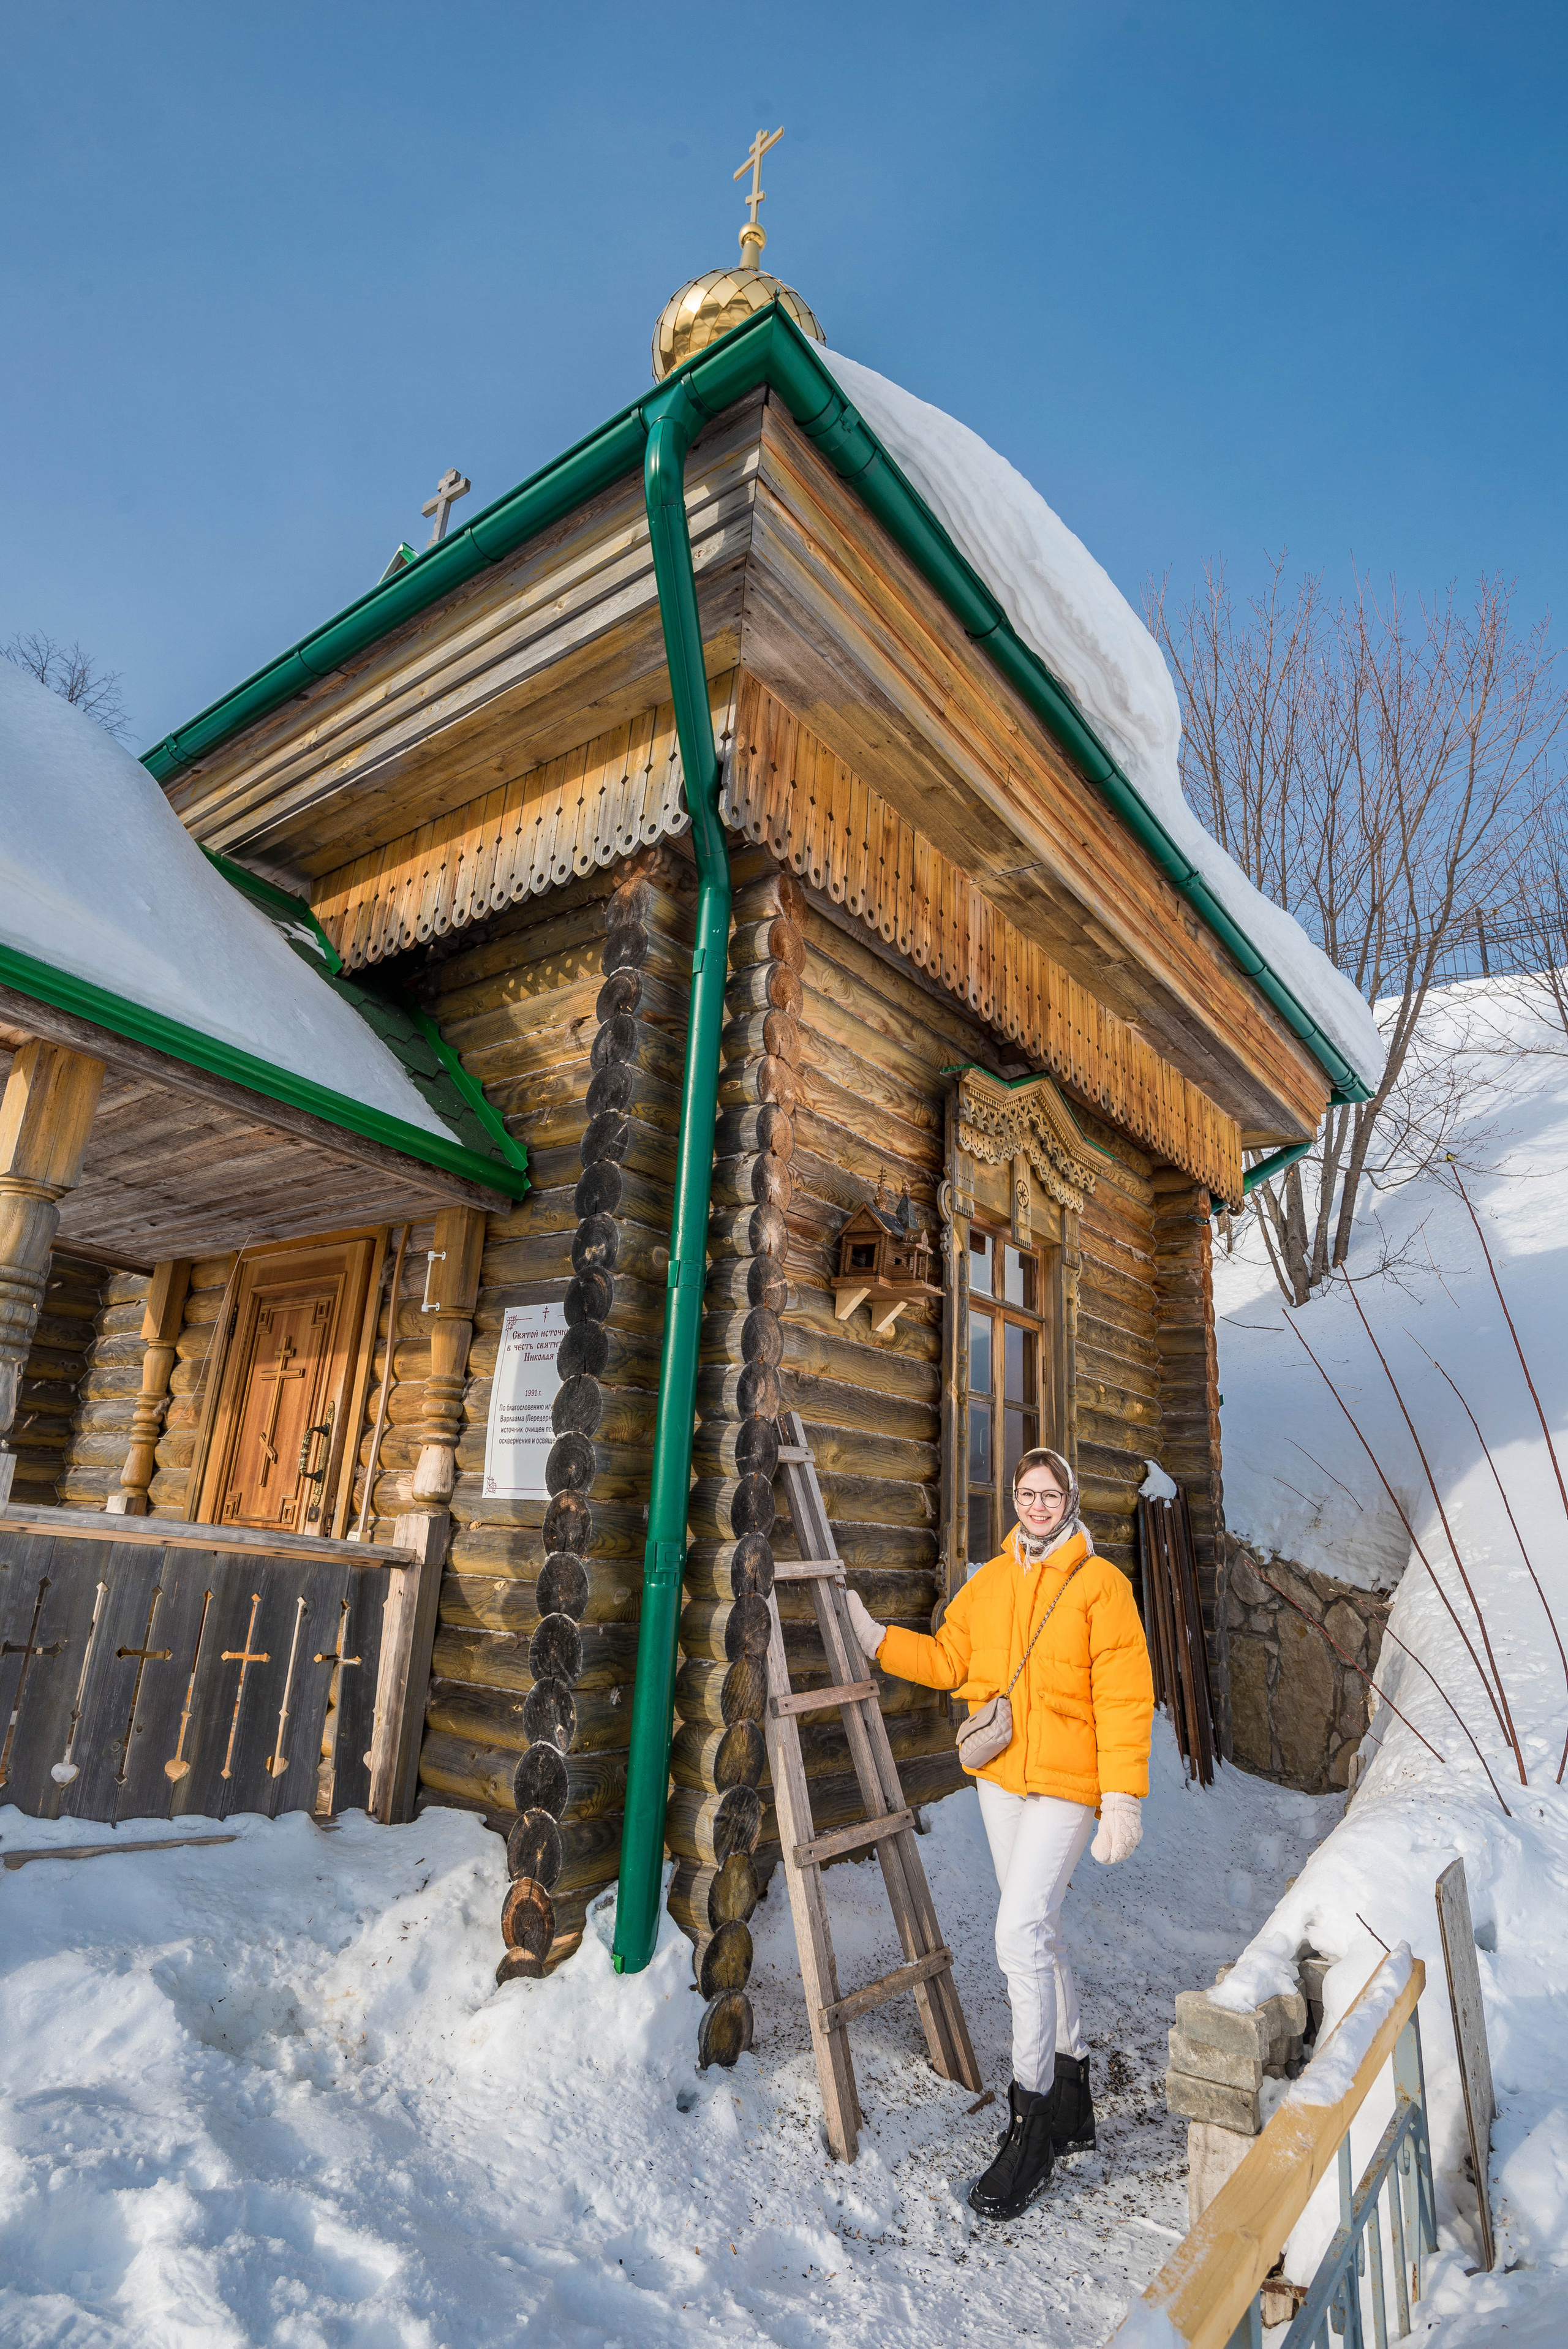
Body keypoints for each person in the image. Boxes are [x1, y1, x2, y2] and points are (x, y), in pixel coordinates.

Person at [843, 1446, 1153, 2220]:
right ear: (1013, 1499)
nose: (1038, 1503)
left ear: (1070, 1499)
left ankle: (1033, 2119)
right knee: (1040, 1933)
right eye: (1026, 1492)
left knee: (1016, 1934)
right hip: (1000, 1781)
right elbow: (951, 1660)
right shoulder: (987, 1581)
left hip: (1069, 1787)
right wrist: (875, 1636)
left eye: (1050, 1493)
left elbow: (1124, 1697)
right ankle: (1075, 2089)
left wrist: (1121, 1795)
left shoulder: (1101, 1586)